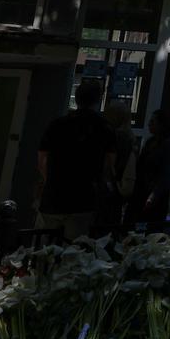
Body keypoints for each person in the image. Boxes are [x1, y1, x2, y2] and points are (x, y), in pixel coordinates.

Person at [37, 79, 116, 241]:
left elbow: (42, 159)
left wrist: (49, 180)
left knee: (46, 248)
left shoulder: (58, 124)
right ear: (98, 99)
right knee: (75, 252)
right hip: (83, 199)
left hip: (53, 196)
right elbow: (109, 165)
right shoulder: (104, 128)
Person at [130, 109, 170, 226]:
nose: (149, 125)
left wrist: (154, 194)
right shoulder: (151, 142)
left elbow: (165, 172)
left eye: (153, 122)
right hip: (142, 189)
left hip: (154, 193)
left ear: (162, 125)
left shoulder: (168, 144)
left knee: (149, 226)